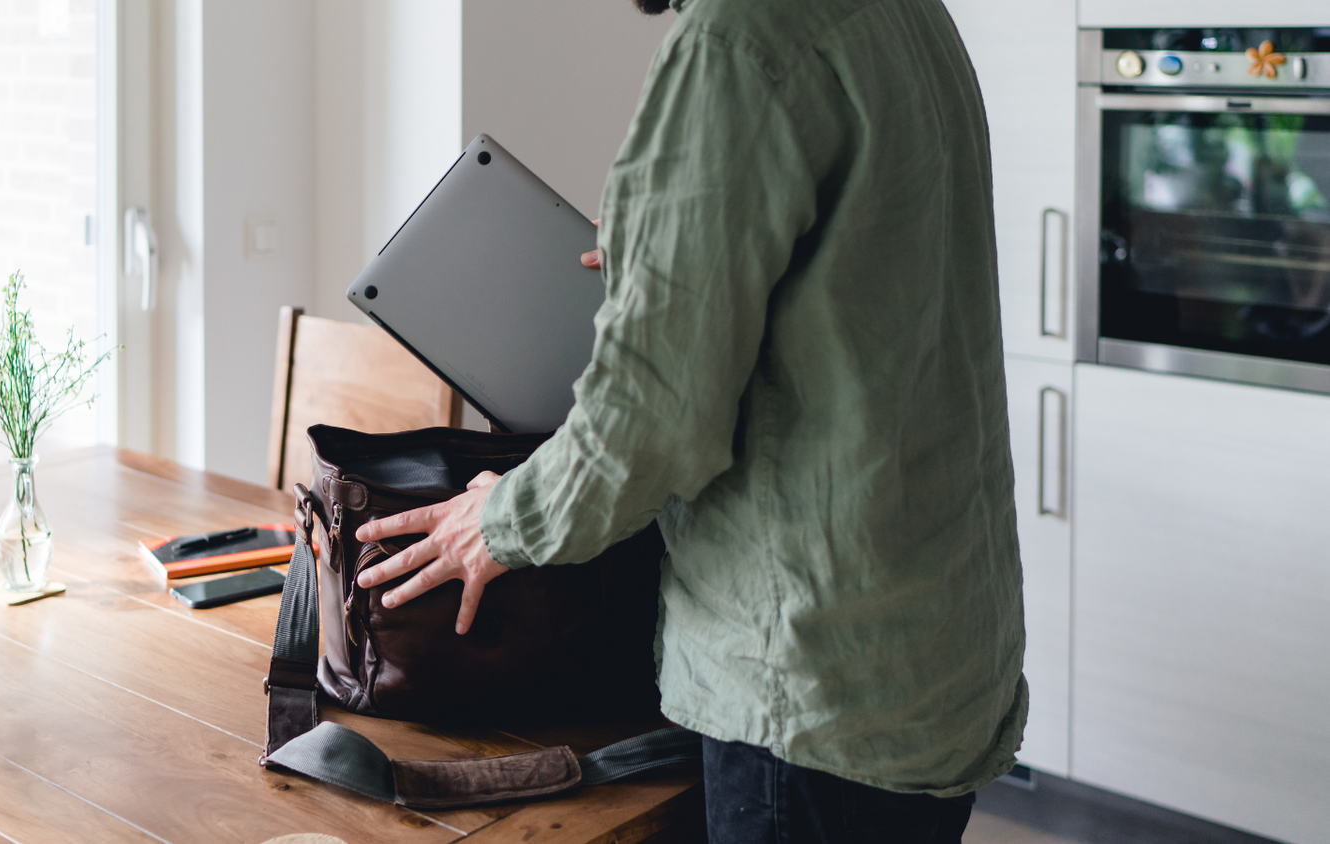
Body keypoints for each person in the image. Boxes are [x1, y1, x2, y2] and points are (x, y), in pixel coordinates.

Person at [353, 0, 1027, 840]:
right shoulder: (902, 12)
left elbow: (649, 424)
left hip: (806, 681)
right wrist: (676, 246)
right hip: (926, 651)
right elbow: (861, 277)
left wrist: (493, 521)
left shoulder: (733, 37)